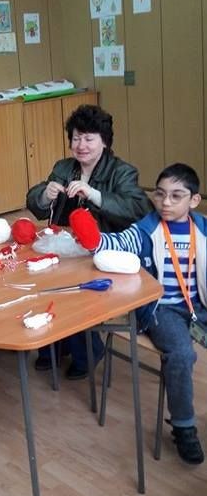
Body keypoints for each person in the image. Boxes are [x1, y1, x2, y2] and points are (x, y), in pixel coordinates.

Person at [72, 163, 206, 465]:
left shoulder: (203, 229)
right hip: (162, 308)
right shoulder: (146, 229)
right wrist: (94, 240)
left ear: (194, 200)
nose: (166, 202)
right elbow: (116, 244)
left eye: (176, 196)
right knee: (181, 354)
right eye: (160, 194)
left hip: (198, 306)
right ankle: (184, 427)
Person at [27, 104, 152, 378]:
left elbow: (138, 209)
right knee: (42, 279)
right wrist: (44, 194)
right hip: (66, 246)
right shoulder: (64, 167)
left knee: (73, 288)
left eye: (88, 138)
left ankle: (88, 351)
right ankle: (55, 345)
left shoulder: (122, 172)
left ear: (104, 142)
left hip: (103, 249)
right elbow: (35, 202)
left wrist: (94, 194)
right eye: (76, 138)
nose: (81, 145)